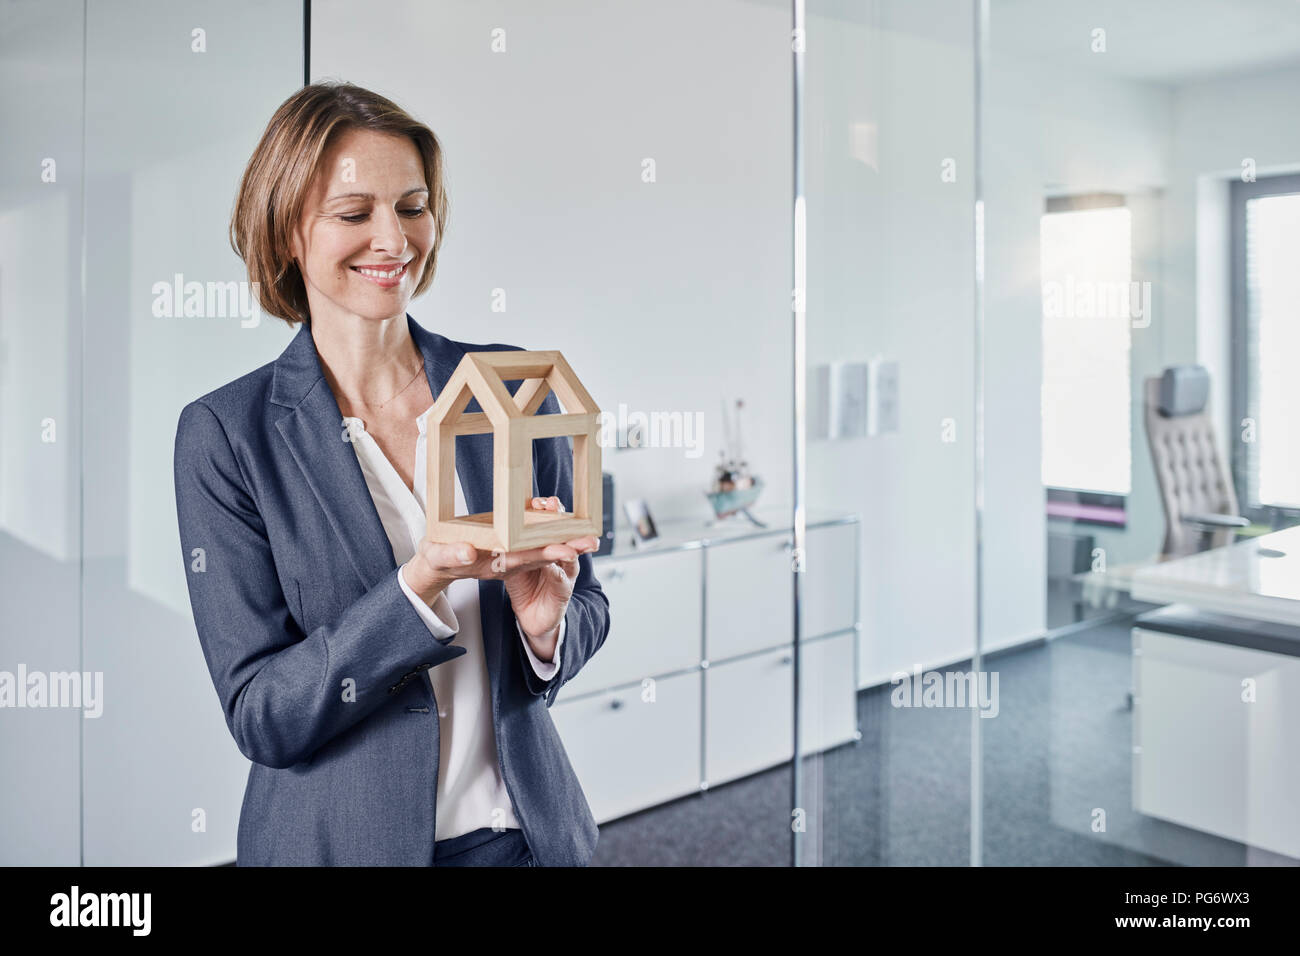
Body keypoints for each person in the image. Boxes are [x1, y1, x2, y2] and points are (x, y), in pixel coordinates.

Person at [172, 80, 609, 866]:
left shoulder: (510, 386)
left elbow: (592, 602)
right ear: (286, 236)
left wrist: (548, 633)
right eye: (353, 213)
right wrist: (416, 589)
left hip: (525, 842)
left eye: (412, 206)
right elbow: (262, 714)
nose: (395, 239)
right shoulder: (226, 437)